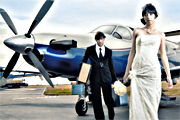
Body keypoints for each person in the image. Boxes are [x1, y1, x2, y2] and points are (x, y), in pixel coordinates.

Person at [123, 3, 173, 120]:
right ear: (143, 17)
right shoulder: (137, 31)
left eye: (151, 14)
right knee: (137, 105)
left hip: (153, 72)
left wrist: (169, 76)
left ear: (155, 16)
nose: (148, 17)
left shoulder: (161, 35)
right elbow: (132, 53)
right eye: (146, 14)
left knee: (152, 105)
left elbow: (164, 56)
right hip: (138, 72)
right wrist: (126, 73)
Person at [80, 31, 117, 120]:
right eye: (98, 39)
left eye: (101, 39)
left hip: (106, 78)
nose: (100, 41)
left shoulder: (108, 51)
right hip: (95, 78)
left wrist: (115, 79)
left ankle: (111, 116)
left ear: (104, 39)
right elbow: (83, 62)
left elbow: (111, 65)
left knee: (108, 100)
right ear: (95, 40)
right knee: (97, 101)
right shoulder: (90, 49)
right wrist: (81, 76)